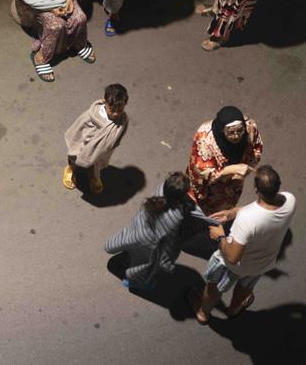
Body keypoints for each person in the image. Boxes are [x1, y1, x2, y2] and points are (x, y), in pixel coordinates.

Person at [192, 165, 295, 324]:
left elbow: (232, 257)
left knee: (214, 288)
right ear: (278, 185)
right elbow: (260, 208)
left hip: (233, 266)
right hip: (262, 263)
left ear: (255, 189)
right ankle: (234, 309)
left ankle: (203, 313)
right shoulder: (289, 200)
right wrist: (231, 213)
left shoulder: (247, 219)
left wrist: (220, 237)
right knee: (245, 287)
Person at [105, 173, 218, 291]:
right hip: (150, 246)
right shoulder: (176, 215)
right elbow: (168, 243)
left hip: (136, 231)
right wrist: (167, 261)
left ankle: (127, 257)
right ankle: (135, 283)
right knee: (143, 269)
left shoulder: (161, 188)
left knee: (133, 251)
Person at [186, 106, 262, 219]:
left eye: (240, 131)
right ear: (222, 130)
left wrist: (244, 170)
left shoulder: (250, 127)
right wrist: (228, 171)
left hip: (233, 186)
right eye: (230, 133)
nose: (236, 136)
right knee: (200, 211)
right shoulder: (205, 139)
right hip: (209, 188)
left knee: (224, 211)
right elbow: (200, 170)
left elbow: (256, 149)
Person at [63, 83, 128, 194]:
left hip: (102, 150)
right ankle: (71, 169)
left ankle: (93, 175)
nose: (116, 114)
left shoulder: (122, 120)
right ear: (104, 101)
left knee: (96, 163)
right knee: (77, 161)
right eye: (112, 110)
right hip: (84, 147)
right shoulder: (91, 116)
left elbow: (119, 134)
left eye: (120, 110)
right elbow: (78, 132)